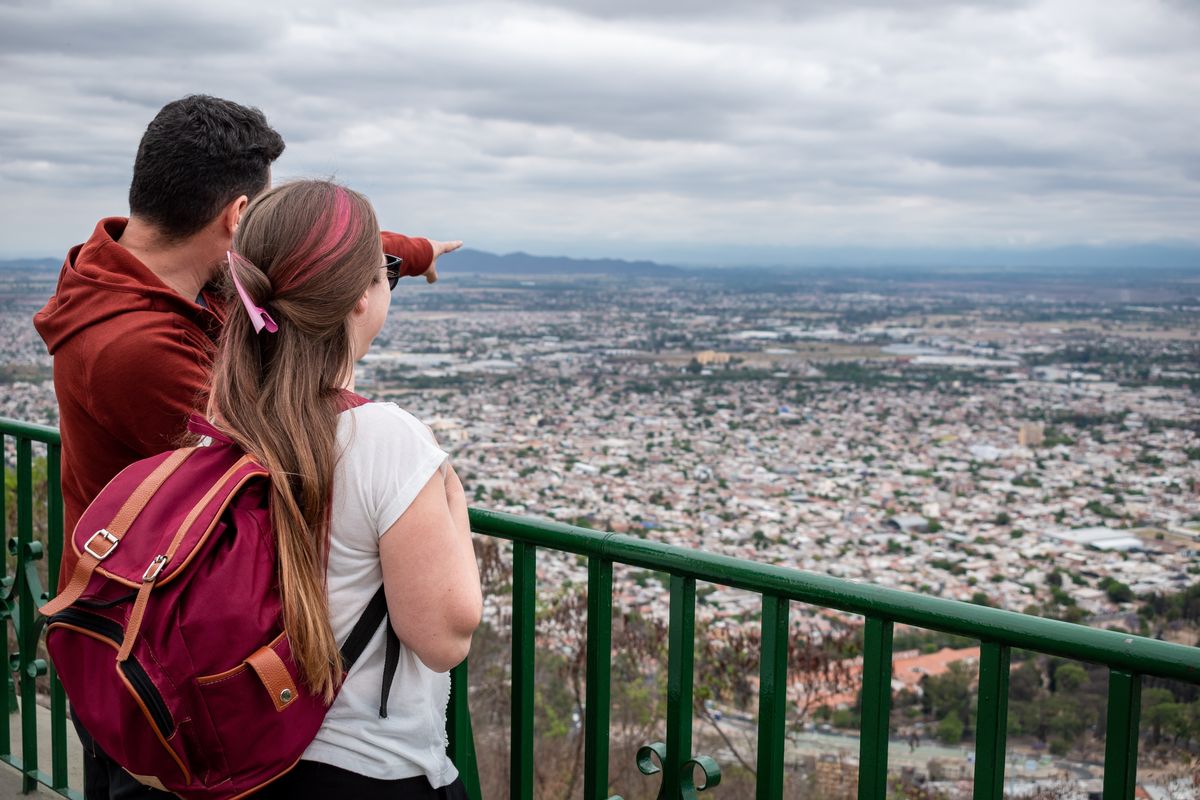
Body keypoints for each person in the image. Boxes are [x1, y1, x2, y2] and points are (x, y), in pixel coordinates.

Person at [32, 95, 462, 800]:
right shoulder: (139, 349)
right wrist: (410, 456)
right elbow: (286, 434)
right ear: (237, 218)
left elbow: (289, 262)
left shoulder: (124, 278)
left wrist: (398, 255)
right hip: (164, 664)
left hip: (161, 627)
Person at [207, 179, 481, 798]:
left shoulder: (220, 418)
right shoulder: (382, 439)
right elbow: (445, 637)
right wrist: (449, 492)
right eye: (384, 270)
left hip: (248, 754)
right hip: (364, 765)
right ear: (361, 297)